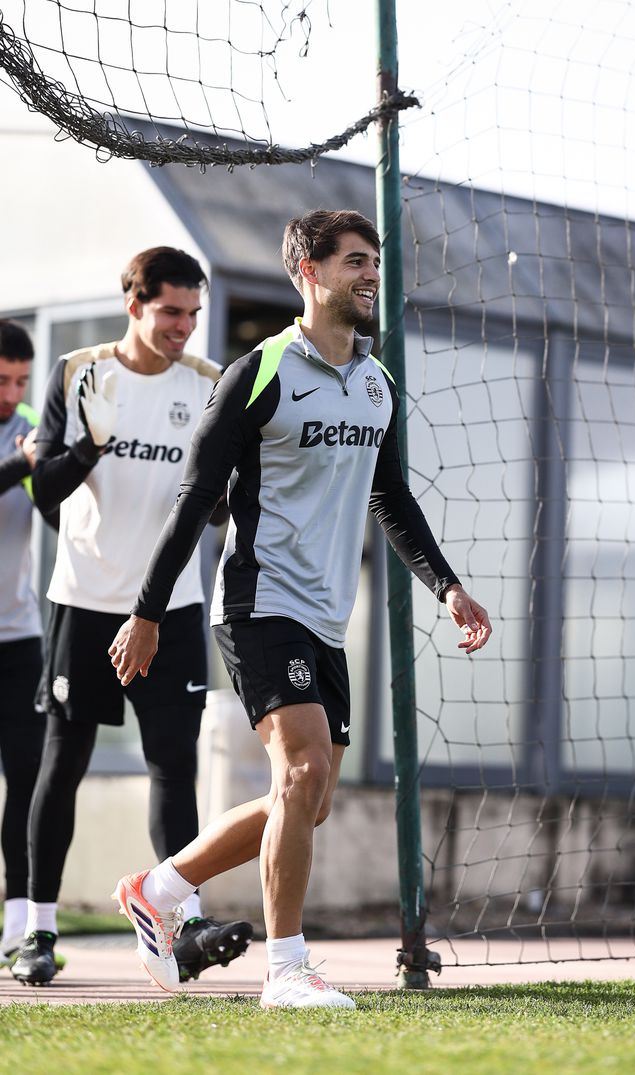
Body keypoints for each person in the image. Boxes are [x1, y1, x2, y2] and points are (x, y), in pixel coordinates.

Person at [108, 208, 492, 1008]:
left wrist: (447, 584)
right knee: (305, 768)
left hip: (325, 613)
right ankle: (286, 970)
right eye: (355, 261)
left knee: (307, 803)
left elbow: (391, 498)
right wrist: (146, 611)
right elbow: (194, 499)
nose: (370, 276)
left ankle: (161, 884)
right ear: (307, 273)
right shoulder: (259, 371)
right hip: (259, 599)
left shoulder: (379, 382)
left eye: (375, 263)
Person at [12, 248, 253, 986]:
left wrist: (224, 488)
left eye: (193, 312)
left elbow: (215, 508)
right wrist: (91, 443)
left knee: (172, 764)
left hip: (171, 606)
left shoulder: (209, 383)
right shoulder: (78, 371)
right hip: (82, 599)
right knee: (63, 764)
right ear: (135, 305)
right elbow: (42, 491)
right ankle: (36, 931)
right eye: (170, 311)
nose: (184, 326)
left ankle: (181, 925)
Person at [0, 320, 49, 967]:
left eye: (20, 381)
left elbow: (60, 501)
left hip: (22, 635)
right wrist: (24, 461)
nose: (12, 393)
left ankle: (19, 923)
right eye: (0, 381)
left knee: (28, 779)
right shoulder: (25, 443)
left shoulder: (34, 421)